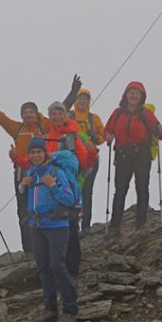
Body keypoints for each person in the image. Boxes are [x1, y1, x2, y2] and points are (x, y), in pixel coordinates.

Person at [0, 75, 82, 253]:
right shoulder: (16, 128)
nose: (28, 114)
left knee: (46, 206)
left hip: (43, 171)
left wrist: (73, 92)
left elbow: (61, 109)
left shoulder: (45, 126)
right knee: (23, 211)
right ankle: (29, 249)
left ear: (36, 113)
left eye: (31, 111)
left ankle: (46, 245)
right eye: (25, 112)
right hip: (22, 174)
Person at [19, 137, 79, 321]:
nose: (36, 155)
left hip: (57, 225)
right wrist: (22, 186)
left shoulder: (56, 172)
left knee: (57, 266)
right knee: (43, 267)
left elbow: (69, 200)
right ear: (29, 155)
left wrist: (52, 185)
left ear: (45, 153)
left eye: (39, 152)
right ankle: (50, 307)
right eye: (32, 152)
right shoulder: (31, 173)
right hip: (36, 226)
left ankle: (70, 308)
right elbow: (32, 200)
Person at [103, 81, 162, 234]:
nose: (133, 95)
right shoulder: (117, 113)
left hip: (141, 154)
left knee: (142, 188)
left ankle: (140, 225)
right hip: (123, 154)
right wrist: (108, 136)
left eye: (137, 93)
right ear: (125, 94)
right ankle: (114, 227)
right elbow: (107, 131)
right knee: (120, 190)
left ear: (141, 97)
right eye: (131, 92)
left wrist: (158, 130)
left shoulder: (146, 114)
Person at [43, 101, 94, 276]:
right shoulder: (45, 137)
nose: (56, 117)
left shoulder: (73, 136)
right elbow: (36, 160)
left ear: (65, 115)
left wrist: (92, 152)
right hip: (48, 188)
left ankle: (72, 268)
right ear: (49, 117)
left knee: (70, 227)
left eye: (60, 113)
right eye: (53, 114)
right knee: (52, 228)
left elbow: (85, 162)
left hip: (68, 187)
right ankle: (56, 267)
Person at [69, 88, 105, 231]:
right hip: (72, 159)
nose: (82, 101)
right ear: (75, 100)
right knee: (73, 191)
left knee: (87, 191)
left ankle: (86, 225)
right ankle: (73, 225)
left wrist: (97, 138)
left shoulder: (93, 118)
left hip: (90, 159)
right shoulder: (68, 116)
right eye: (80, 98)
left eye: (85, 99)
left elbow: (103, 134)